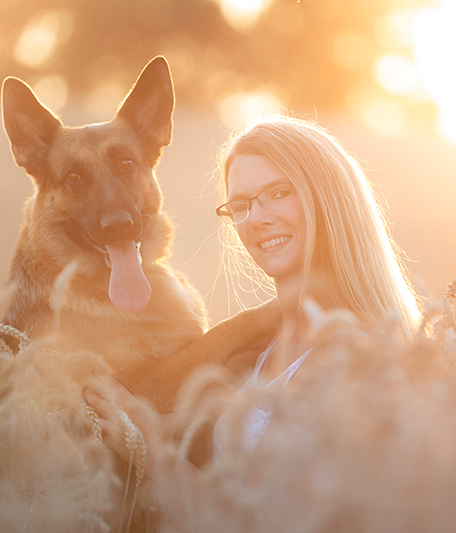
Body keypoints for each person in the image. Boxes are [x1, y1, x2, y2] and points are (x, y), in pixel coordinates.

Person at [84, 115, 421, 513]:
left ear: (328, 198)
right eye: (240, 205)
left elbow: (269, 520)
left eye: (278, 193)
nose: (257, 218)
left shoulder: (353, 357)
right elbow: (242, 447)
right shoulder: (270, 345)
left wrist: (153, 453)